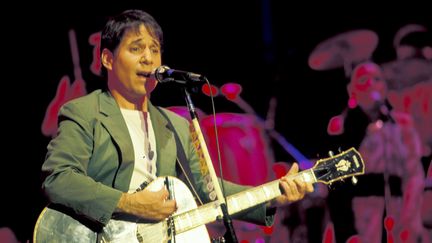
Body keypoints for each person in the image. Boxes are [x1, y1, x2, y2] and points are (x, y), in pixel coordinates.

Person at [37, 9, 313, 242]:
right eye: (136, 48)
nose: (148, 58)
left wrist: (273, 195)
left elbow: (208, 190)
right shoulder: (84, 111)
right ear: (108, 59)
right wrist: (129, 203)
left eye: (154, 50)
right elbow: (58, 178)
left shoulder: (175, 125)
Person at [328, 61, 425, 242]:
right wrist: (348, 232)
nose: (371, 84)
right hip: (362, 215)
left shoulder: (402, 124)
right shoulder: (341, 126)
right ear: (352, 89)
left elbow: (414, 174)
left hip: (399, 212)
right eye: (363, 80)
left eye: (377, 79)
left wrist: (410, 217)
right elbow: (337, 185)